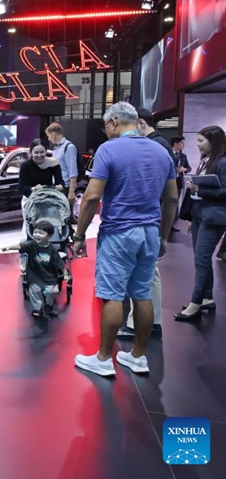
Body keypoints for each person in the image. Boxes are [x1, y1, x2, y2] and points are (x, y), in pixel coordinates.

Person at [72, 102, 177, 377]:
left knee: (112, 295)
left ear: (115, 122)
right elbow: (172, 198)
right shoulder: (161, 150)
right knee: (142, 294)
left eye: (105, 126)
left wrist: (79, 235)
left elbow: (92, 196)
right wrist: (163, 236)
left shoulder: (109, 149)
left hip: (119, 232)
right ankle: (139, 357)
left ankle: (104, 359)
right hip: (150, 233)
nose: (105, 132)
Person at [118, 109, 174, 339]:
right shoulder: (159, 145)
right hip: (150, 218)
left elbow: (167, 195)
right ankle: (150, 322)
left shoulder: (156, 146)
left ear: (140, 123)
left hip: (146, 218)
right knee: (147, 273)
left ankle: (141, 324)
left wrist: (163, 234)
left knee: (145, 276)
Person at [174, 125, 226, 320]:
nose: (197, 145)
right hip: (200, 215)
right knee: (201, 259)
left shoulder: (222, 163)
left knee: (202, 260)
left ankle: (195, 303)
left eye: (201, 141)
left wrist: (199, 190)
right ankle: (206, 298)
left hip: (213, 218)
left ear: (213, 141)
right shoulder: (206, 161)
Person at [1, 221, 67, 318]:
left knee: (51, 291)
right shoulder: (31, 245)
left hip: (49, 277)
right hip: (35, 276)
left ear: (49, 236)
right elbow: (20, 245)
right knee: (35, 291)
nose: (37, 235)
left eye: (41, 233)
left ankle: (49, 303)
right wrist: (9, 247)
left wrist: (65, 274)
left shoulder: (52, 250)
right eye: (35, 232)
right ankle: (37, 309)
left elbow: (60, 264)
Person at [17, 139, 64, 241]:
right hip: (31, 201)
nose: (39, 155)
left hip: (48, 200)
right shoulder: (26, 166)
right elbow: (21, 186)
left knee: (51, 223)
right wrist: (33, 188)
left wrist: (60, 186)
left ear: (46, 151)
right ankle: (29, 246)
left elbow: (60, 181)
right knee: (30, 225)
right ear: (31, 153)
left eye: (42, 152)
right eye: (36, 152)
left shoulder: (53, 163)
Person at [45, 123, 78, 209]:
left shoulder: (69, 147)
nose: (48, 139)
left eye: (48, 136)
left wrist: (71, 191)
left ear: (54, 134)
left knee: (64, 216)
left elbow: (73, 171)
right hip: (56, 186)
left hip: (65, 188)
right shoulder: (56, 148)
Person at [170, 135, 191, 231]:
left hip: (178, 182)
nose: (184, 145)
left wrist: (185, 169)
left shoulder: (183, 156)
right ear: (176, 144)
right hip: (168, 182)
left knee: (175, 202)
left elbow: (189, 168)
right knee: (166, 202)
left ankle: (172, 224)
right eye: (182, 143)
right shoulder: (167, 153)